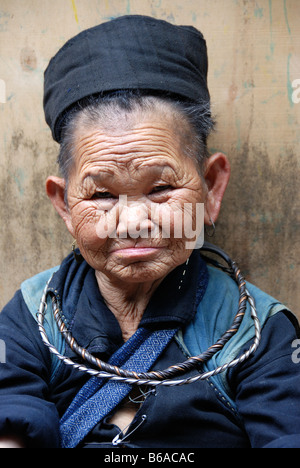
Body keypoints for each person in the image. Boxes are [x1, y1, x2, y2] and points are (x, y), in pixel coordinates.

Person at [0, 14, 299, 449]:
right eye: (101, 195)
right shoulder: (33, 316)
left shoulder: (258, 333)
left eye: (160, 188)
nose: (133, 221)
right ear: (64, 204)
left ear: (212, 187)